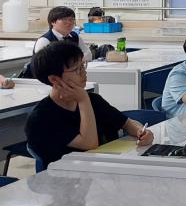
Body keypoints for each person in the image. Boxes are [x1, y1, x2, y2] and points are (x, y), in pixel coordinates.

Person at [24, 41, 153, 167]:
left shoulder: (94, 100)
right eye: (77, 69)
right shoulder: (41, 118)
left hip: (101, 170)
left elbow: (126, 123)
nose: (84, 73)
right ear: (54, 79)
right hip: (66, 176)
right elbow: (90, 144)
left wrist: (141, 132)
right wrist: (83, 100)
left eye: (83, 65)